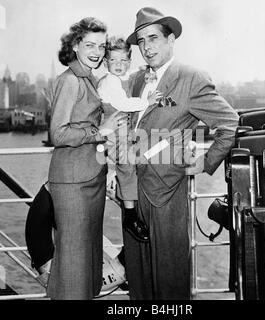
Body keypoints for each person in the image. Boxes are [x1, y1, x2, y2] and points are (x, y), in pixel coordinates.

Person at [119, 7, 239, 300]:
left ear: (171, 39)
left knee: (170, 279)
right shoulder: (135, 80)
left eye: (154, 38)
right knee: (139, 278)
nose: (147, 47)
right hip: (133, 195)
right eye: (142, 41)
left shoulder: (190, 78)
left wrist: (206, 163)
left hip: (166, 192)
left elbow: (229, 122)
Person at [47, 17, 127, 300]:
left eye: (101, 46)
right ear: (75, 46)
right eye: (89, 44)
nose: (96, 51)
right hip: (72, 184)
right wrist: (99, 131)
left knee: (84, 264)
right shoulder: (70, 81)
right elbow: (57, 133)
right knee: (74, 264)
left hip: (89, 180)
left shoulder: (90, 79)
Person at [97, 36, 162, 242]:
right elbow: (123, 103)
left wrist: (145, 73)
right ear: (106, 63)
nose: (119, 65)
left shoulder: (119, 78)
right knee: (126, 165)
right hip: (114, 129)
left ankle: (129, 202)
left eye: (124, 61)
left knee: (132, 163)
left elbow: (130, 78)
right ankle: (130, 215)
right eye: (114, 61)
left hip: (123, 129)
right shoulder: (108, 82)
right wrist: (147, 102)